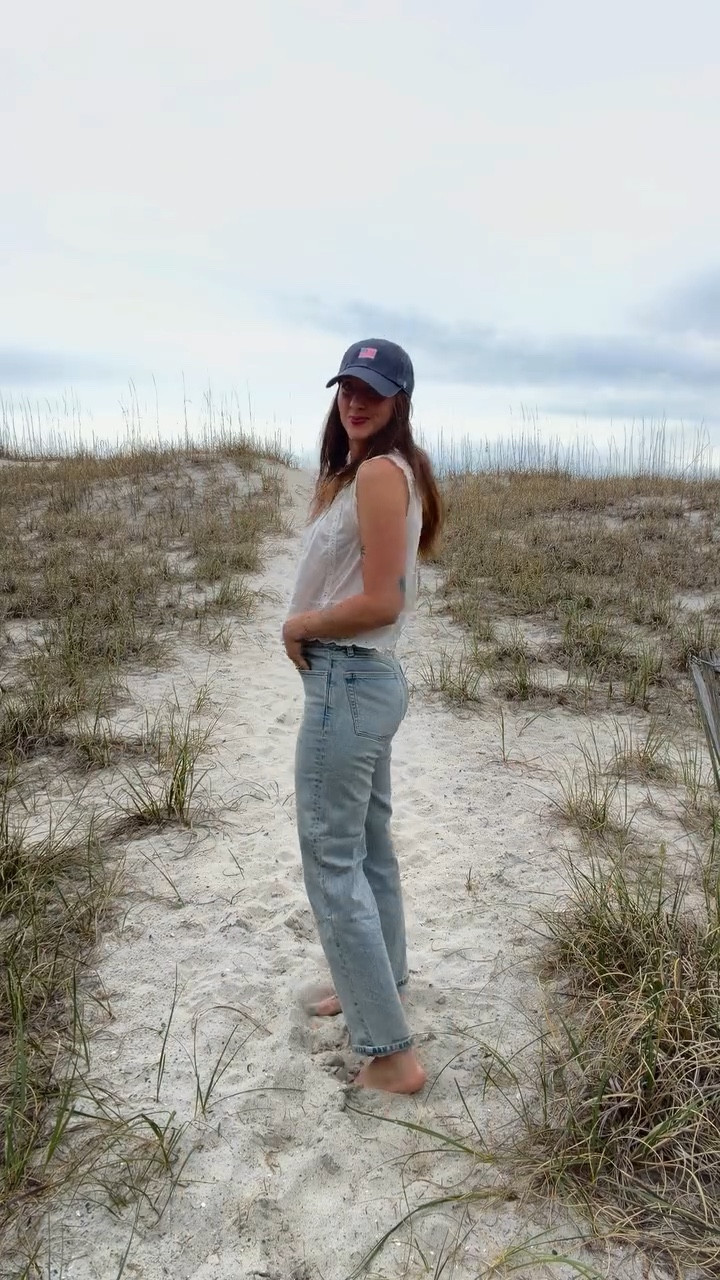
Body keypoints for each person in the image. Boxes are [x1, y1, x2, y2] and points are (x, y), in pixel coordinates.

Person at [282, 339, 443, 1094]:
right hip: (365, 681)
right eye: (348, 384)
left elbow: (383, 601)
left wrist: (302, 626)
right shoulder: (377, 472)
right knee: (367, 846)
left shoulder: (380, 473)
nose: (356, 398)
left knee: (332, 857)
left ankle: (388, 1054)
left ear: (399, 400)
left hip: (348, 681)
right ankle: (378, 980)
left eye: (373, 389)